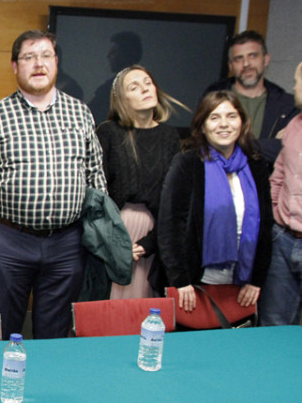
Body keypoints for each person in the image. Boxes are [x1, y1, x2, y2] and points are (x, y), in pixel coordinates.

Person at [0, 30, 106, 340]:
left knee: (54, 334)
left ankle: (45, 386)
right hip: (9, 243)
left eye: (45, 56)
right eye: (29, 57)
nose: (38, 64)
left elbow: (96, 178)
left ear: (56, 63)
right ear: (15, 66)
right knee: (4, 331)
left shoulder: (80, 113)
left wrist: (90, 231)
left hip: (67, 244)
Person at [158, 90, 272, 314]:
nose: (224, 124)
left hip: (242, 282)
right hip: (195, 282)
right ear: (202, 126)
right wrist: (180, 281)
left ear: (241, 122)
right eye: (214, 117)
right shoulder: (187, 164)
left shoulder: (256, 165)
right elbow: (170, 226)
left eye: (231, 116)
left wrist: (256, 279)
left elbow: (266, 226)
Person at [96, 65, 185, 298]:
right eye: (134, 87)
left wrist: (151, 242)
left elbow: (175, 200)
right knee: (111, 312)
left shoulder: (169, 136)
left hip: (157, 236)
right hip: (115, 233)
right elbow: (96, 196)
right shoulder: (108, 133)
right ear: (121, 99)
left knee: (147, 312)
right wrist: (115, 243)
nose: (145, 89)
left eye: (148, 82)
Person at [202, 30, 298, 163]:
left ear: (266, 59)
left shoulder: (286, 105)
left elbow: (287, 151)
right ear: (231, 65)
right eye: (239, 58)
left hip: (267, 181)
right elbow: (204, 145)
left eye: (253, 56)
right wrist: (264, 145)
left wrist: (231, 145)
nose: (246, 64)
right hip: (220, 178)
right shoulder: (213, 97)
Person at [258, 62, 302, 325]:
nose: (294, 87)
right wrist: (276, 214)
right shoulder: (294, 125)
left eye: (297, 81)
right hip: (283, 239)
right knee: (272, 324)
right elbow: (280, 174)